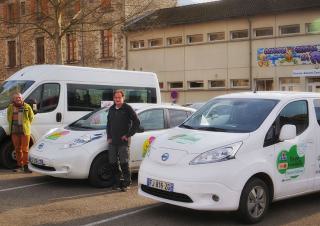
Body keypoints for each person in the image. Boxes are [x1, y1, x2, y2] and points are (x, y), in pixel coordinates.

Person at [107, 90, 140, 192]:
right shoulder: (112, 109)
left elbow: (137, 122)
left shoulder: (127, 108)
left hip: (123, 141)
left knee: (124, 163)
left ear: (123, 98)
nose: (117, 99)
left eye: (119, 97)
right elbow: (108, 124)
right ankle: (117, 182)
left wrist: (128, 135)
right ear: (113, 98)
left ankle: (126, 183)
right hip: (112, 141)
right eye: (115, 97)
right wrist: (109, 136)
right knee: (112, 163)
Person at [7, 92, 34, 173]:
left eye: (19, 97)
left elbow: (31, 117)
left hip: (25, 131)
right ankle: (20, 165)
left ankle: (26, 166)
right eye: (16, 98)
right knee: (17, 149)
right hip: (14, 131)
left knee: (25, 149)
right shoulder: (10, 107)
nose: (18, 99)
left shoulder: (27, 106)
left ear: (22, 98)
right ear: (13, 99)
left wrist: (26, 125)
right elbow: (8, 117)